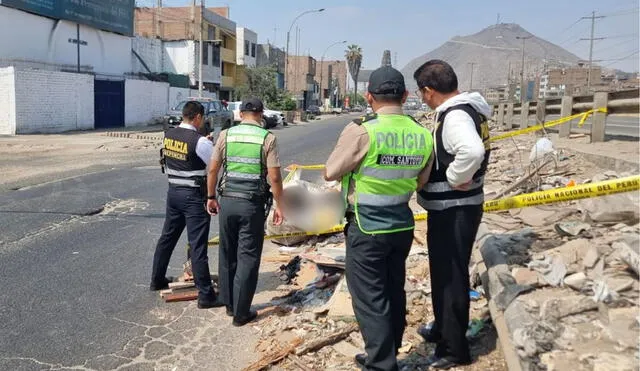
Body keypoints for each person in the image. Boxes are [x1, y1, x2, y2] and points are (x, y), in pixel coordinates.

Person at [324, 66, 434, 371]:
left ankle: (382, 364)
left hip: (367, 226)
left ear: (369, 96)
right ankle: (386, 350)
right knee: (392, 288)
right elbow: (421, 180)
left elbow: (331, 171)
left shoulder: (362, 129)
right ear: (406, 95)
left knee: (370, 297)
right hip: (401, 224)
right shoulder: (421, 133)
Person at [413, 60, 492, 369]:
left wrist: (456, 178)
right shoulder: (470, 109)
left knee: (449, 276)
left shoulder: (456, 115)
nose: (422, 98)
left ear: (430, 91)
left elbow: (472, 152)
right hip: (458, 207)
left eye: (422, 93)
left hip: (454, 209)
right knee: (445, 272)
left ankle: (454, 349)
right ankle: (443, 328)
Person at [206, 97, 285, 326]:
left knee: (227, 253)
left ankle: (229, 304)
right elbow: (275, 177)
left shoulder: (226, 135)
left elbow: (213, 170)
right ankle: (241, 313)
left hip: (227, 202)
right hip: (251, 205)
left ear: (240, 114)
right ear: (260, 114)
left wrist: (210, 197)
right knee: (248, 257)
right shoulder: (267, 138)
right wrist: (281, 205)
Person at [151, 101, 222, 309]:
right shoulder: (199, 141)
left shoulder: (169, 135)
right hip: (193, 196)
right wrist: (209, 144)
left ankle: (157, 279)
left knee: (167, 237)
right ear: (198, 117)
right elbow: (215, 164)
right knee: (198, 245)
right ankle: (206, 296)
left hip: (173, 193)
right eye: (203, 119)